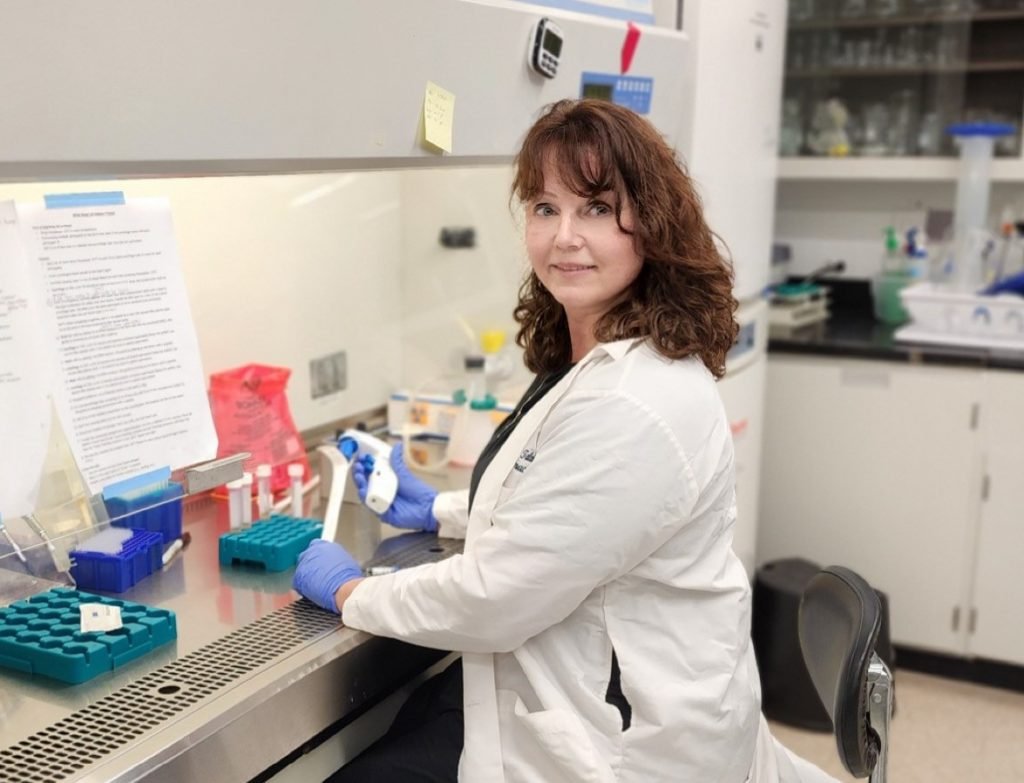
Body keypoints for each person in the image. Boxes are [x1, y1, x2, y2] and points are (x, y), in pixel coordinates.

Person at [293, 99, 837, 783]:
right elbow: (569, 508)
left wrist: (350, 593)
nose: (564, 237)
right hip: (598, 695)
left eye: (598, 208)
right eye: (546, 208)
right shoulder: (607, 359)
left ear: (653, 222)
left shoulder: (636, 402)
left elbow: (494, 598)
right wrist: (438, 510)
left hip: (624, 749)